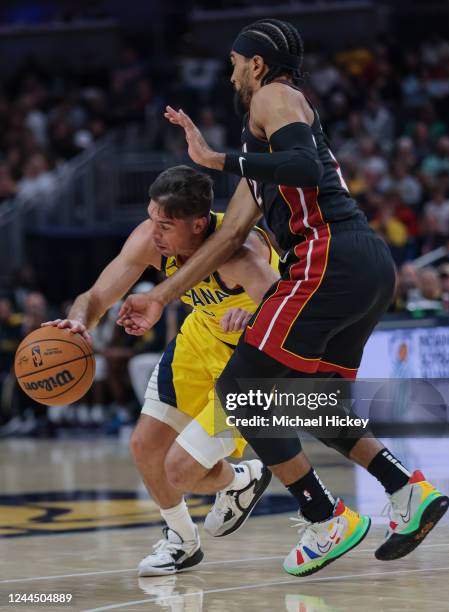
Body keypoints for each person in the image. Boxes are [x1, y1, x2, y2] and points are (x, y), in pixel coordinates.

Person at [118, 19, 449, 578]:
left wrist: (217, 160)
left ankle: (325, 519)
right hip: (363, 268)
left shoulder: (275, 97)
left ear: (257, 64)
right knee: (307, 403)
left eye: (233, 62)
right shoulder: (262, 144)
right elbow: (226, 239)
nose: (228, 73)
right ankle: (407, 490)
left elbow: (302, 166)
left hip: (328, 259)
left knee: (243, 392)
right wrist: (162, 296)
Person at [42, 165, 279, 575]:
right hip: (198, 341)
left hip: (254, 363)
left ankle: (240, 480)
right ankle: (183, 539)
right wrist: (78, 324)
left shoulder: (243, 256)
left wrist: (254, 319)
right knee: (144, 446)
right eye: (152, 217)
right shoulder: (151, 239)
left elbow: (293, 312)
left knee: (182, 471)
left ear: (199, 224)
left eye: (166, 225)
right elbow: (95, 296)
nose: (155, 232)